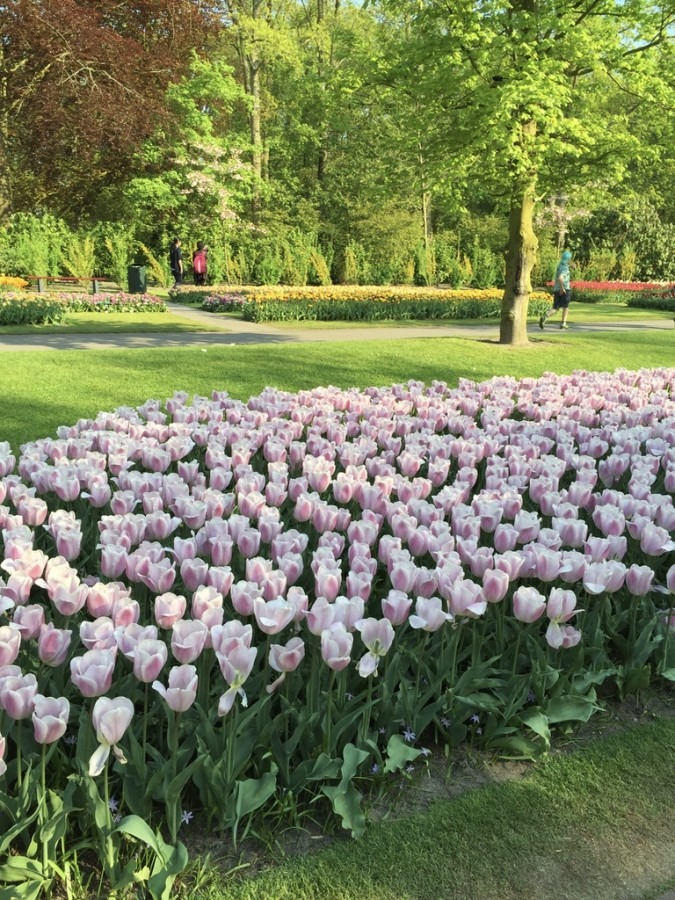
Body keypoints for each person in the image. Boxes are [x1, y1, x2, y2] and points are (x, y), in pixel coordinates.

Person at [540, 249, 572, 330]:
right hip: (564, 289)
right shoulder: (565, 268)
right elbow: (561, 278)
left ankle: (545, 316)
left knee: (555, 307)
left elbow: (565, 267)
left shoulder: (560, 265)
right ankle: (563, 323)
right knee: (566, 306)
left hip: (556, 288)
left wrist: (571, 265)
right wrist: (562, 288)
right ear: (568, 259)